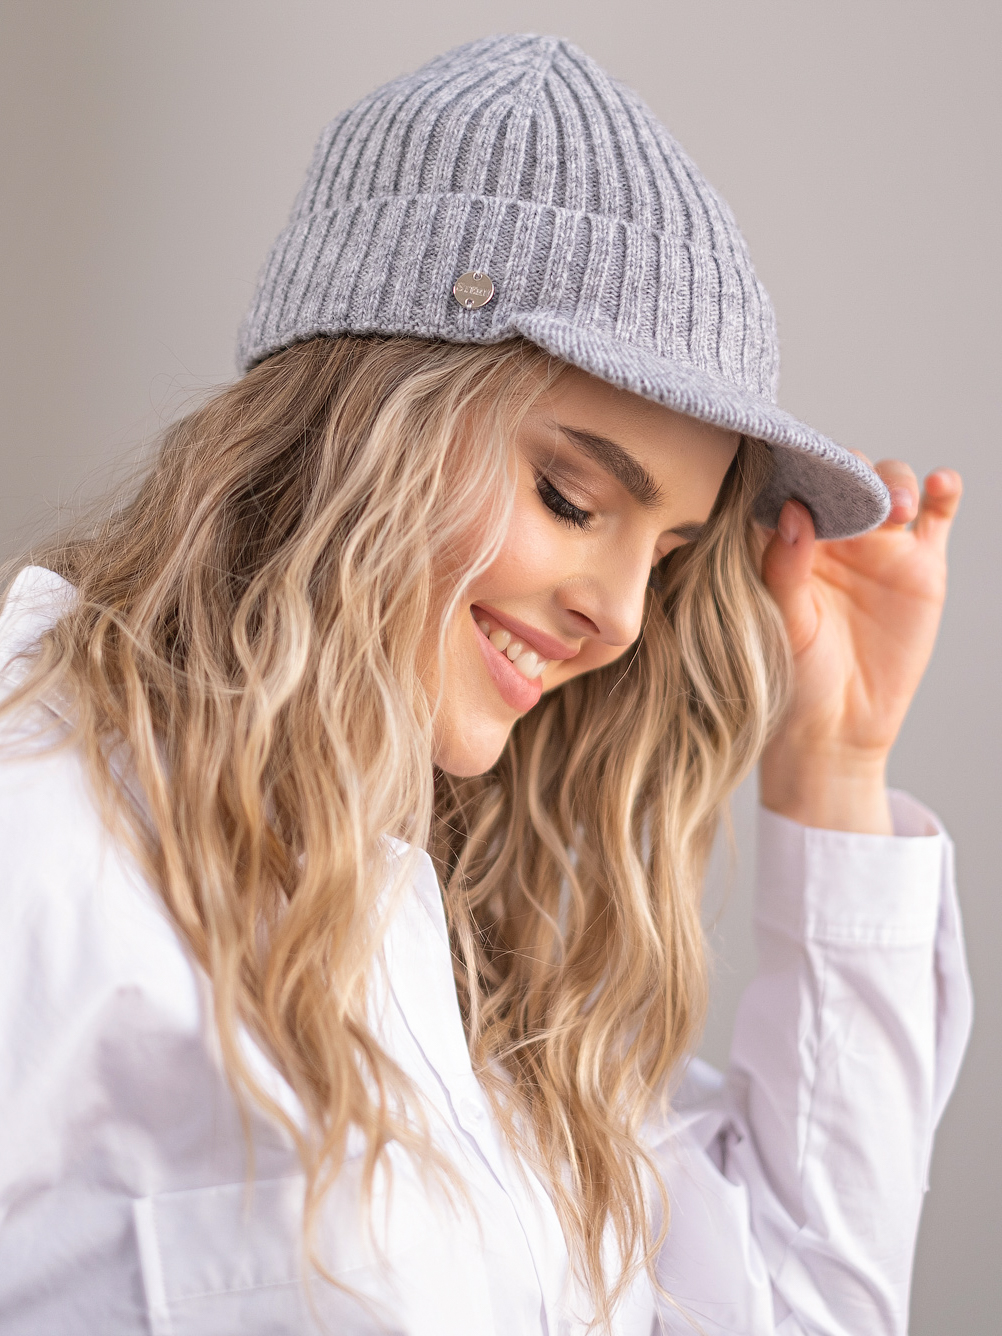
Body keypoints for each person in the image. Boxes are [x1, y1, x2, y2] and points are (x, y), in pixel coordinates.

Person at [0, 32, 971, 1336]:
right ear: (363, 420)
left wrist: (835, 766)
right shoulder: (42, 816)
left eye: (668, 556)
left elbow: (800, 1308)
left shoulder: (487, 981)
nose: (619, 618)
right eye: (571, 498)